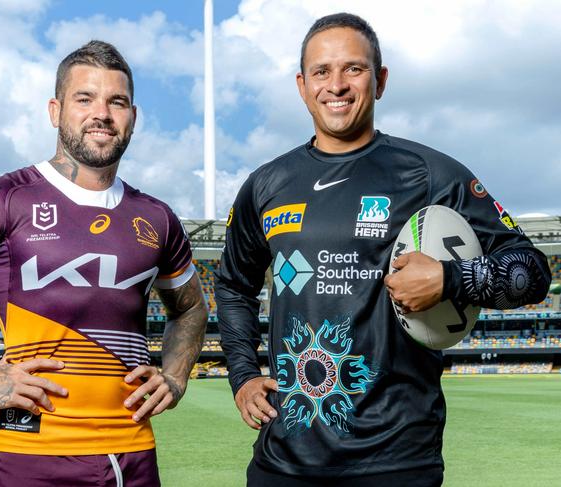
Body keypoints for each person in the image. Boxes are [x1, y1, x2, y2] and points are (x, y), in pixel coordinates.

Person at [215, 12, 551, 487]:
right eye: (321, 71)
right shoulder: (265, 185)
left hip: (397, 462)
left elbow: (531, 271)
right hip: (284, 461)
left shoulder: (431, 173)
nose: (337, 85)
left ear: (381, 80)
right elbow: (232, 285)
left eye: (354, 68)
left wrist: (451, 279)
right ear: (301, 84)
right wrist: (244, 374)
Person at [0, 40, 208, 486]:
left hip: (133, 455)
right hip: (30, 455)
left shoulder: (157, 217)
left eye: (117, 101)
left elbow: (190, 308)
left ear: (133, 116)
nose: (102, 113)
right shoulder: (4, 198)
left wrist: (176, 376)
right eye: (84, 98)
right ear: (55, 110)